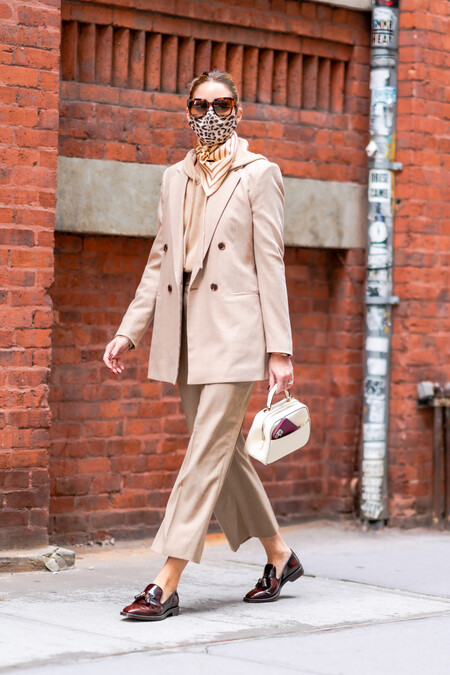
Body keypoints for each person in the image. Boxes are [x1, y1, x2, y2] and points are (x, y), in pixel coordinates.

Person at [103, 69, 304, 621]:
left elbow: (271, 262)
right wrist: (130, 329)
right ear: (187, 112)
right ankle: (280, 556)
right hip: (186, 334)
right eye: (200, 105)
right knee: (224, 453)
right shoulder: (173, 177)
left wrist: (279, 349)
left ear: (239, 109)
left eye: (223, 104)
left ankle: (164, 582)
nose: (212, 115)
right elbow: (159, 259)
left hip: (238, 334)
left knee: (202, 456)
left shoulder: (259, 173)